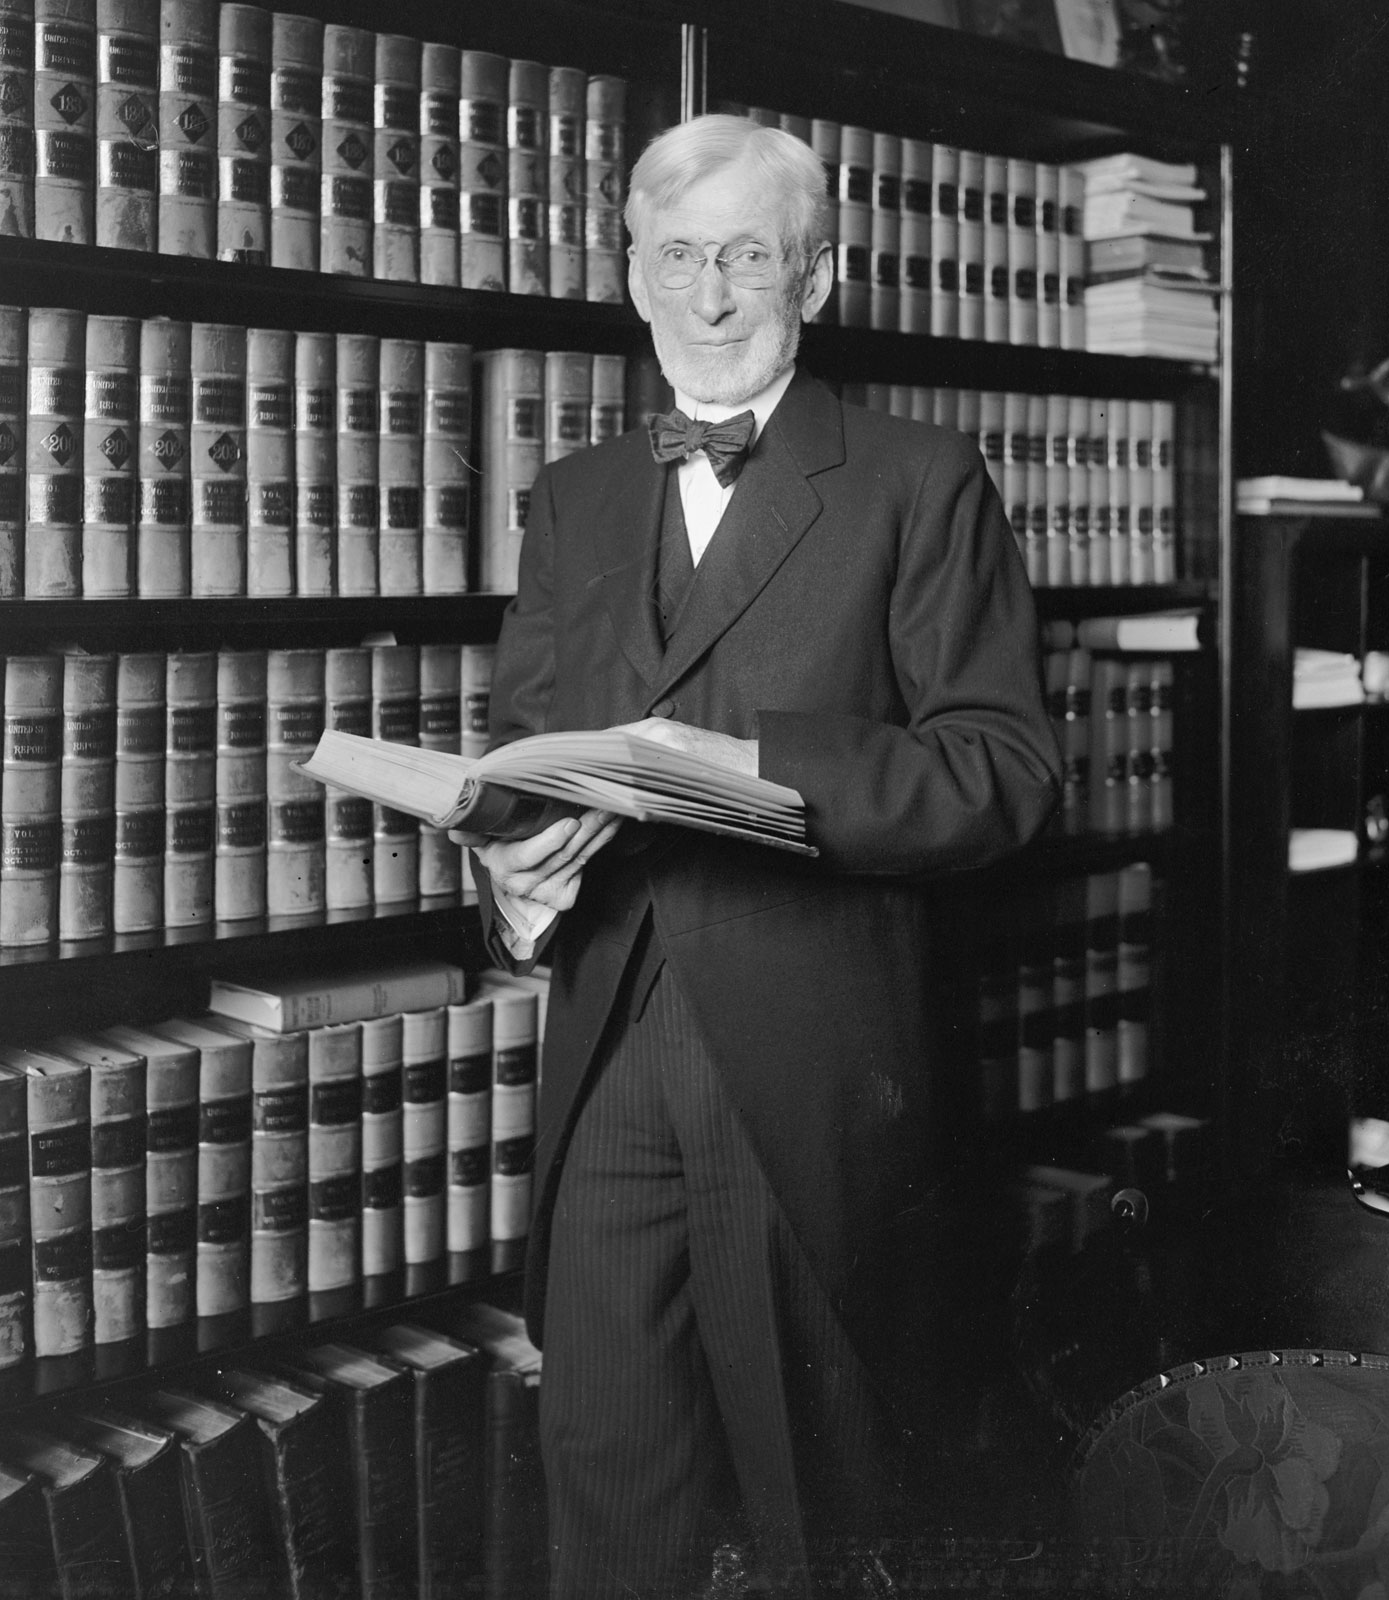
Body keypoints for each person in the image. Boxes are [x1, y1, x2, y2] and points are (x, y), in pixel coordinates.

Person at [457, 113, 1060, 1599]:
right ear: (631, 274)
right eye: (674, 256)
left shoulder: (919, 478)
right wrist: (508, 882)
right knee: (606, 1491)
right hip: (606, 1049)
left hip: (812, 1068)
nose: (708, 297)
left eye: (746, 256)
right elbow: (527, 756)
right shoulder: (573, 496)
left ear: (820, 273)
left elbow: (1004, 774)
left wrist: (767, 769)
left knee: (821, 1514)